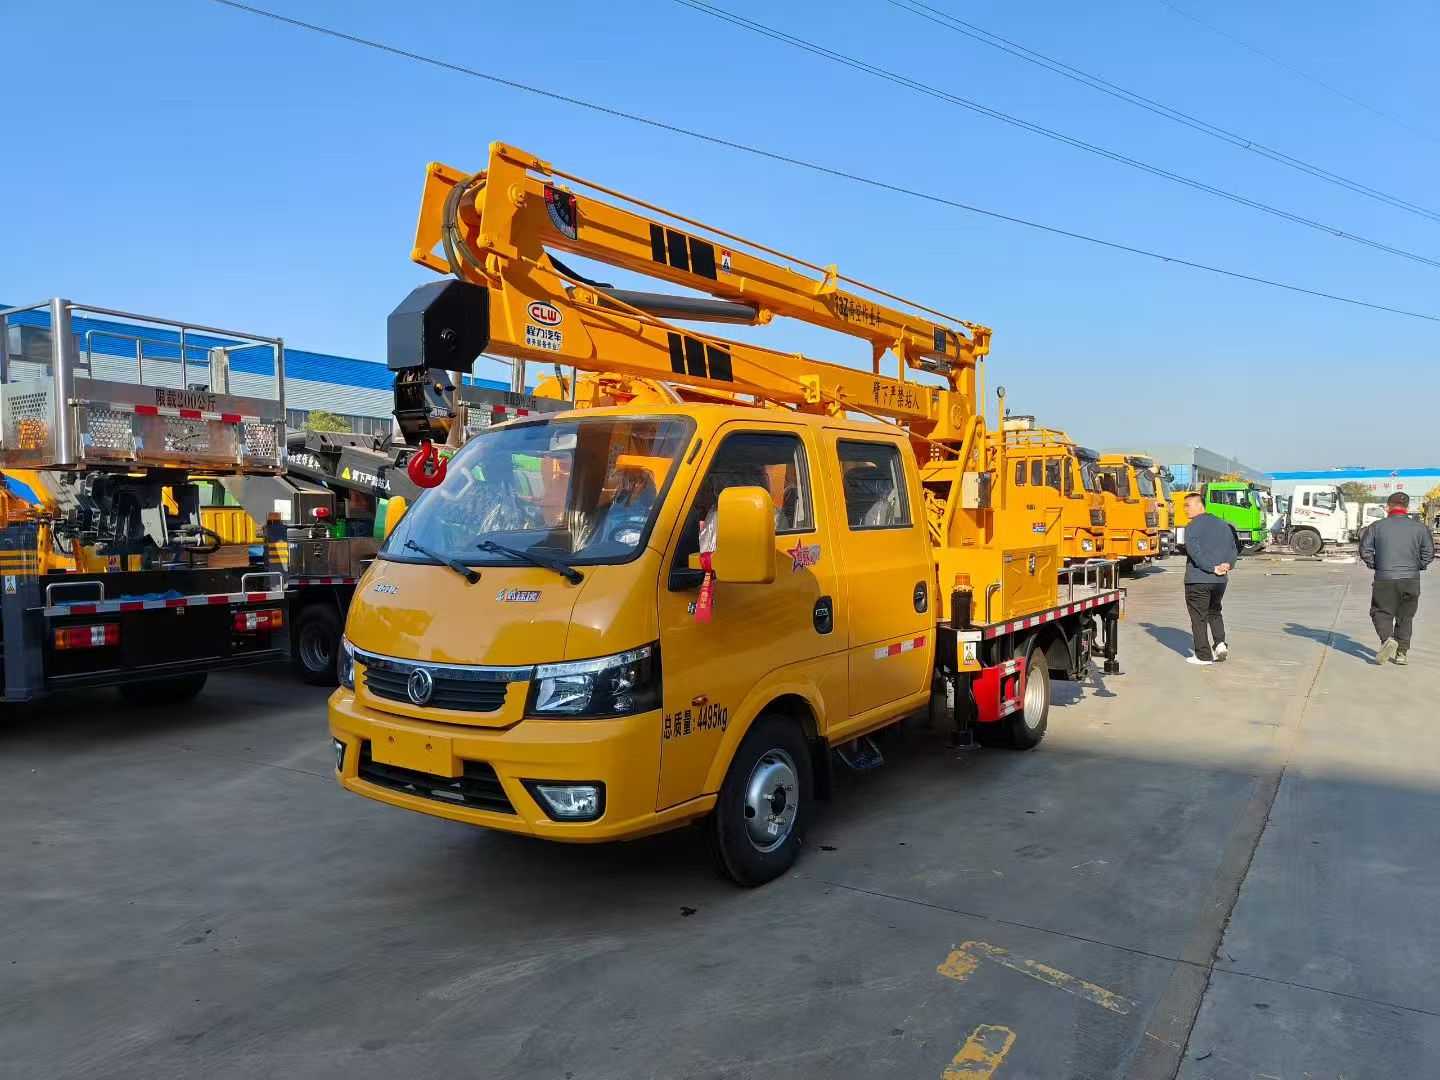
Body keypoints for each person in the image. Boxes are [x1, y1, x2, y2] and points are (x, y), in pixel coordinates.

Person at [1359, 491, 1435, 666]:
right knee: (1405, 617)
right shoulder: (1420, 528)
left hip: (1385, 578)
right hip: (1411, 579)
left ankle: (1387, 640)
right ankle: (1401, 653)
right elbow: (1428, 553)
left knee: (1380, 612)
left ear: (1388, 507)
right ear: (1407, 507)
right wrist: (1417, 566)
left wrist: (1377, 565)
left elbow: (1365, 550)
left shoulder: (1376, 527)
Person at [1181, 491, 1239, 666]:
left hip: (1198, 579)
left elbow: (1194, 552)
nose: (1185, 509)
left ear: (1200, 505)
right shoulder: (1224, 525)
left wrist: (1211, 568)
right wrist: (1228, 564)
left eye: (1187, 505)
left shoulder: (1192, 526)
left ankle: (1203, 656)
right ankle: (1220, 644)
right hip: (1220, 581)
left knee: (1199, 617)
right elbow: (1233, 548)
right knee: (1214, 611)